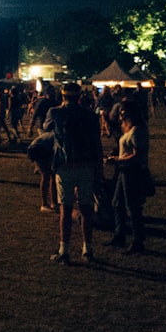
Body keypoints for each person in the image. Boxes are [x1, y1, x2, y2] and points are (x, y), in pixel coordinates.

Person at [45, 82, 104, 265]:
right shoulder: (90, 116)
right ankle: (87, 248)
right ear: (80, 96)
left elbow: (47, 129)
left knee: (66, 209)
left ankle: (64, 249)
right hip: (86, 165)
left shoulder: (55, 113)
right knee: (86, 209)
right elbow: (97, 143)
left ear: (62, 96)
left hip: (64, 166)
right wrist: (99, 168)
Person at [104, 100, 150, 254]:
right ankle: (119, 235)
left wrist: (117, 160)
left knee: (133, 207)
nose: (121, 113)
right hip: (124, 170)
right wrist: (116, 155)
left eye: (124, 110)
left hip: (133, 171)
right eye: (121, 110)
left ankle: (138, 241)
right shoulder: (127, 128)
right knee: (117, 203)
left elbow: (137, 155)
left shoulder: (138, 130)